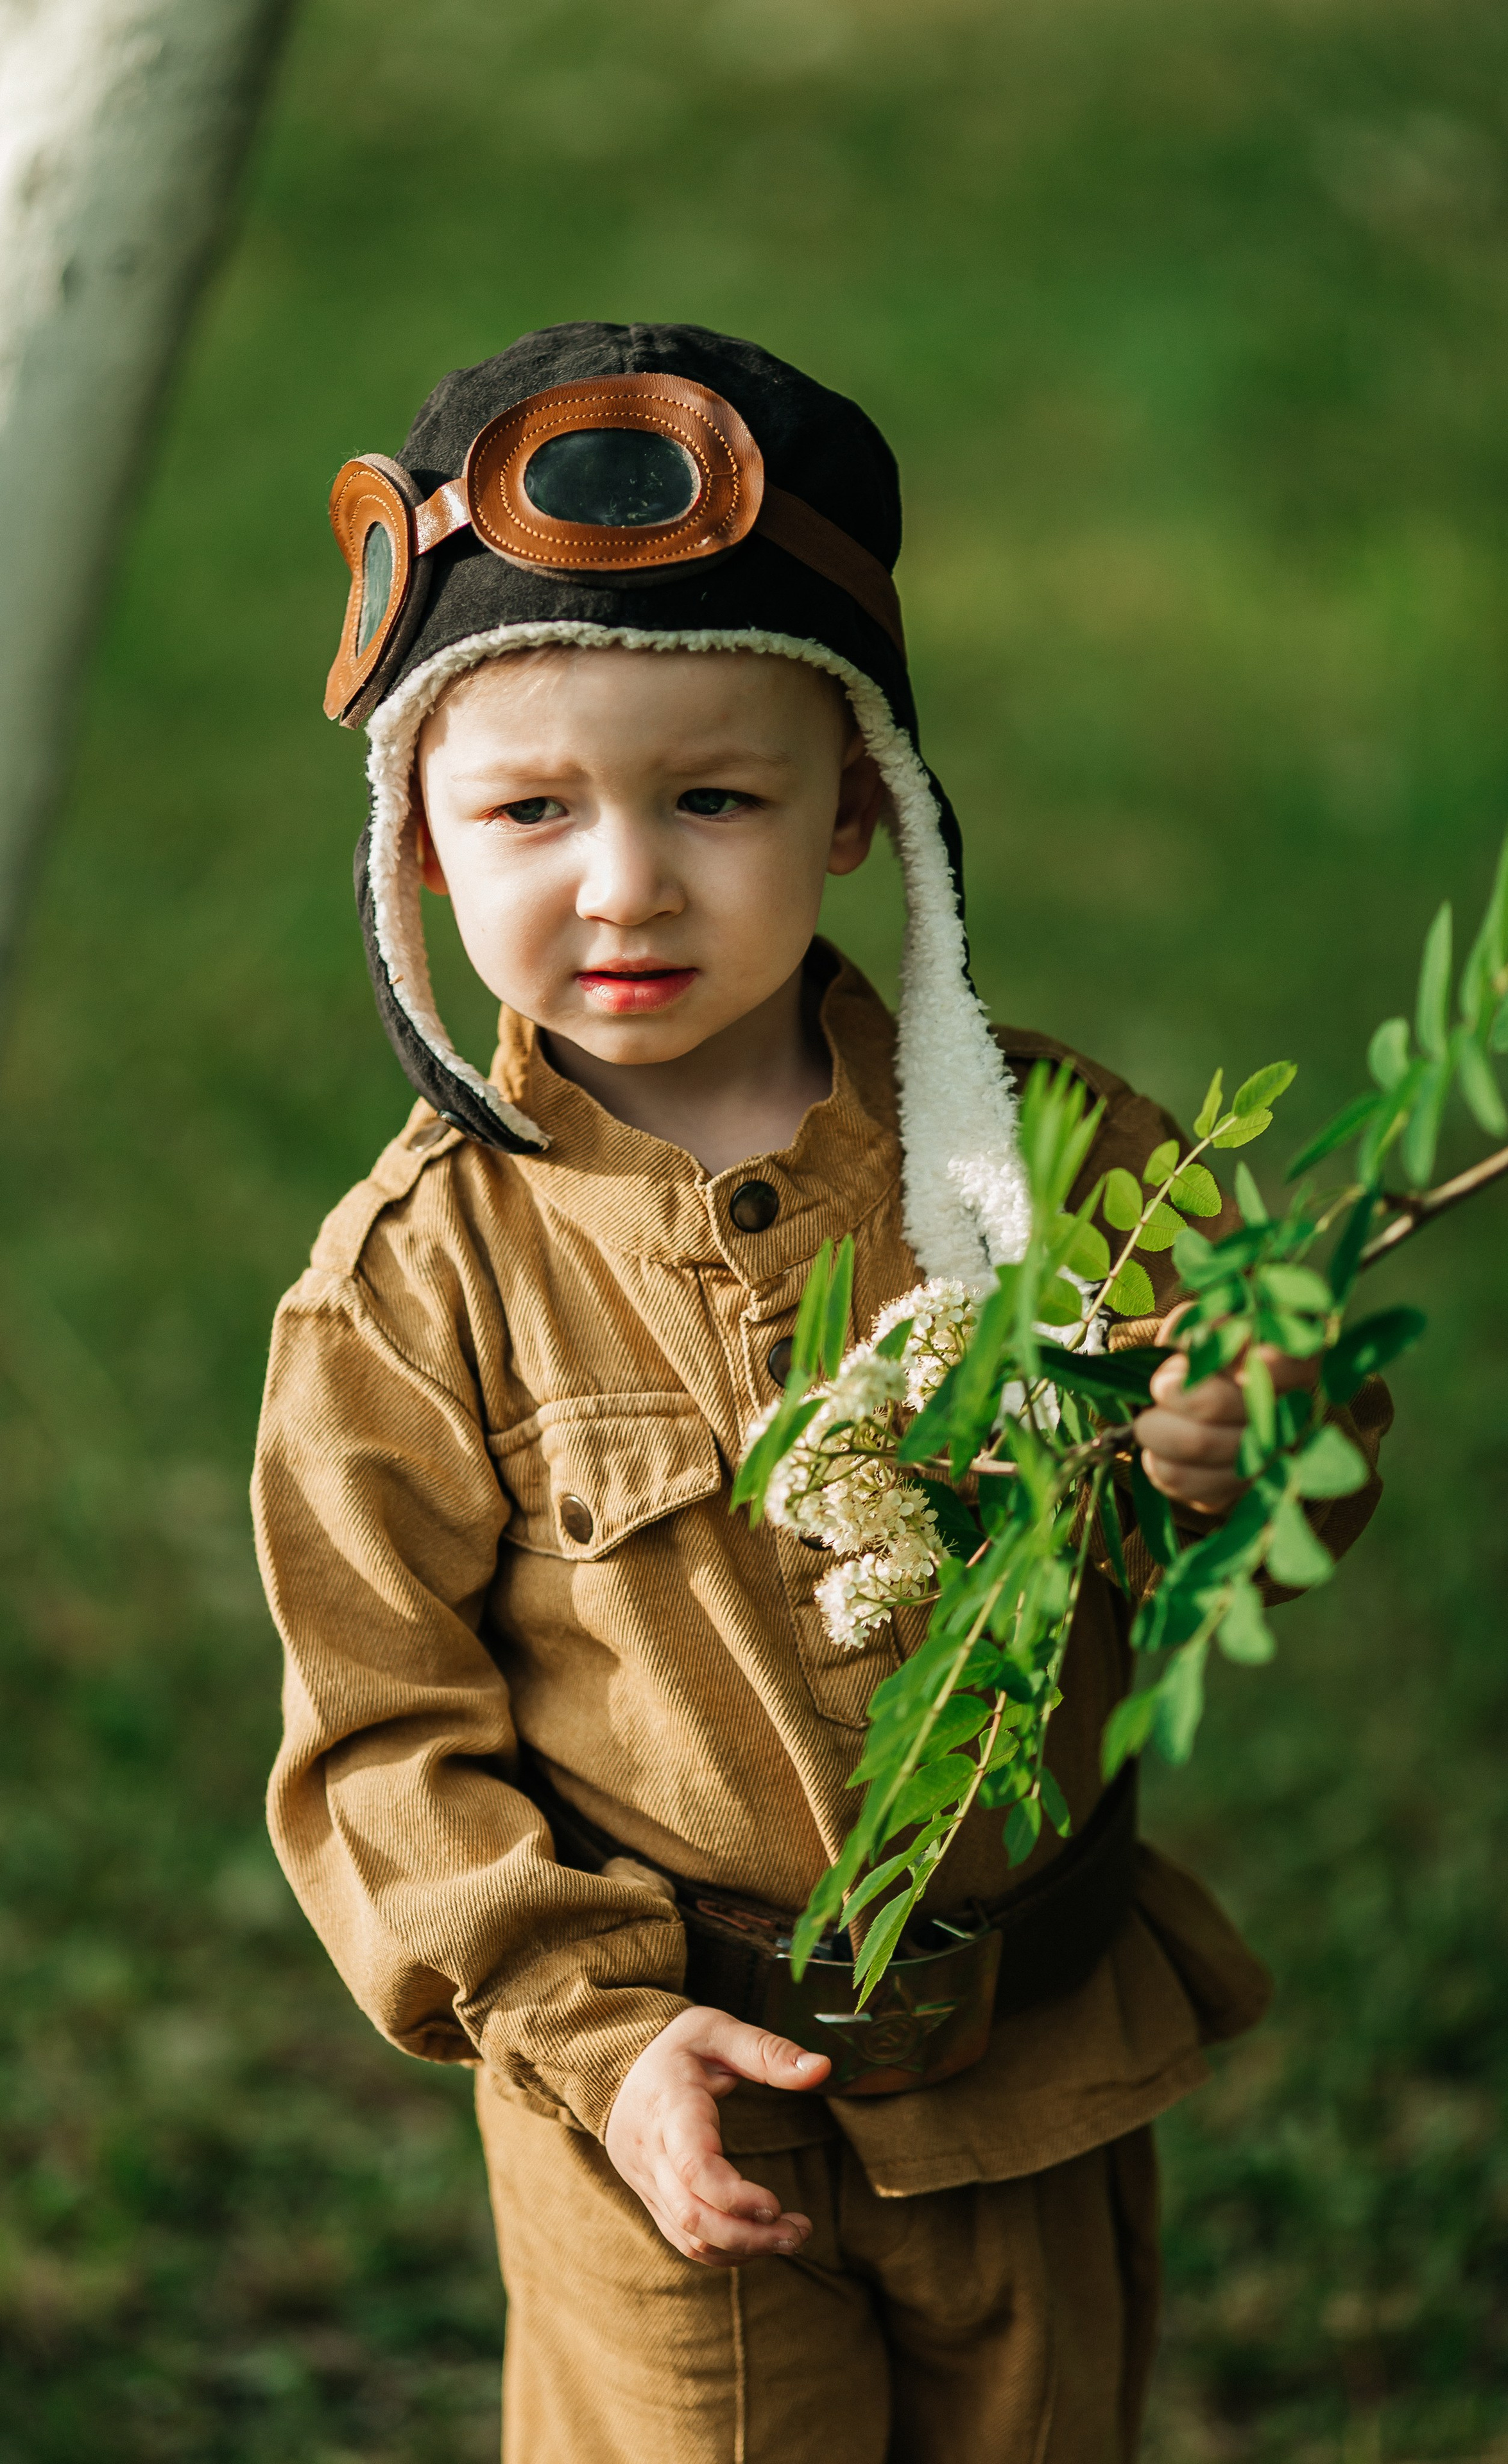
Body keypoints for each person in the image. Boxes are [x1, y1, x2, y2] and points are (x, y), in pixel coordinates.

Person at [255, 323, 1389, 2463]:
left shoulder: (1062, 1173)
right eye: (529, 807)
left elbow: (1275, 1511)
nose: (624, 881)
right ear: (418, 836)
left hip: (1028, 2081)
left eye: (714, 795)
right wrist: (595, 2035)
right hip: (672, 2138)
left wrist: (1248, 1453)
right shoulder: (412, 1298)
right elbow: (384, 1739)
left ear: (859, 803)